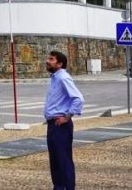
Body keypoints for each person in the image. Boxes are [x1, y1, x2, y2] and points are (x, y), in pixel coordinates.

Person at [44, 50, 84, 190]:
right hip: (53, 124)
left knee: (63, 160)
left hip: (60, 126)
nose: (47, 61)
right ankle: (59, 187)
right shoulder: (55, 78)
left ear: (60, 64)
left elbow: (78, 99)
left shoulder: (63, 78)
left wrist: (67, 117)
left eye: (51, 59)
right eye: (48, 58)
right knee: (55, 161)